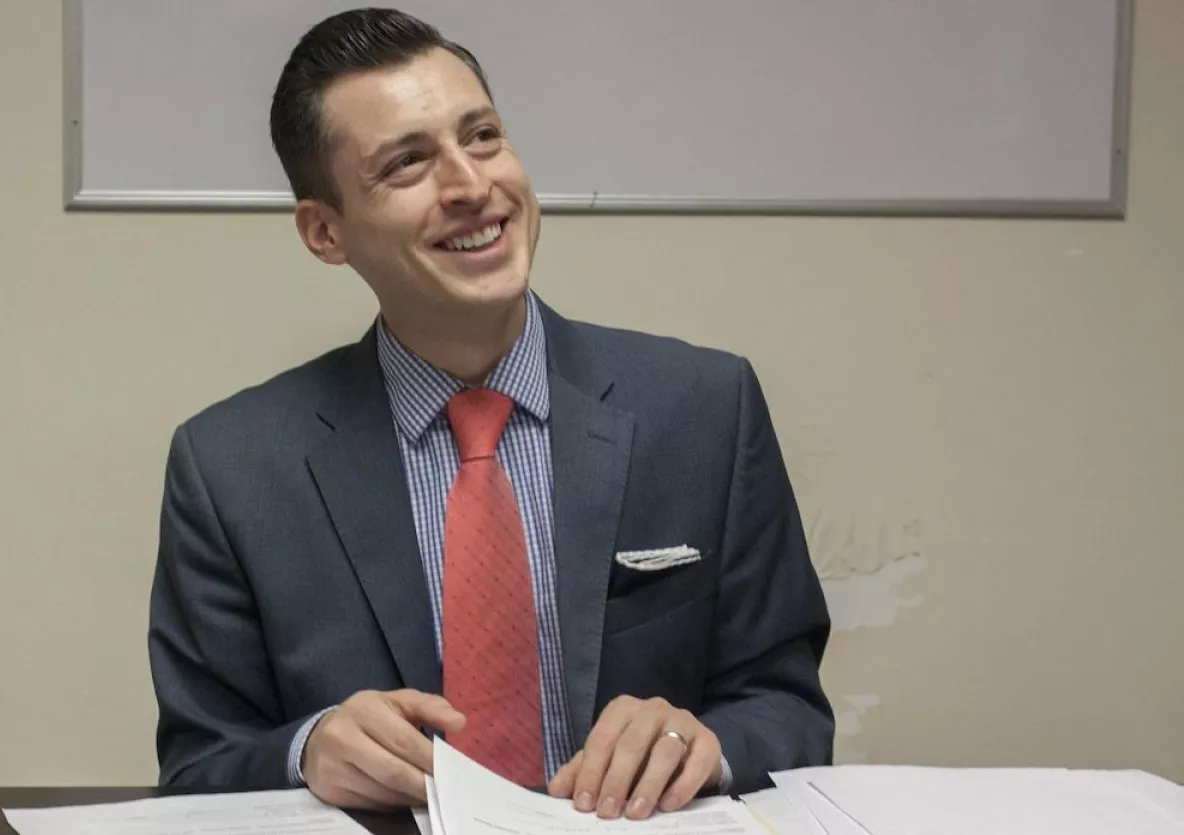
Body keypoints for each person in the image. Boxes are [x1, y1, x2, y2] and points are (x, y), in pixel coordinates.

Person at [148, 6, 834, 821]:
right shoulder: (230, 467)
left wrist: (706, 748)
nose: (472, 187)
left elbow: (787, 709)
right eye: (407, 163)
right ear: (325, 232)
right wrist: (307, 751)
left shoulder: (705, 409)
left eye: (482, 137)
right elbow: (199, 767)